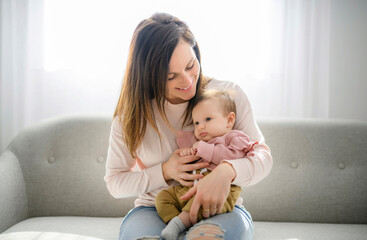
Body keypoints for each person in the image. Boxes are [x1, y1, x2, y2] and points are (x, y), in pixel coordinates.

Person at [104, 12, 273, 240]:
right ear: (147, 77)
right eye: (170, 76)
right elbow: (115, 182)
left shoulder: (226, 96)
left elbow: (263, 157)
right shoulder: (131, 116)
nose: (186, 81)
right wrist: (165, 171)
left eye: (190, 65)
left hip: (220, 208)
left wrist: (226, 171)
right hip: (153, 209)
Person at [156, 90, 258, 240]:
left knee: (201, 200)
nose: (200, 126)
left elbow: (235, 156)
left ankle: (180, 224)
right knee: (163, 197)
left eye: (208, 119)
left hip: (220, 192)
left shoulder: (234, 137)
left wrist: (204, 149)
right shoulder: (200, 143)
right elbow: (190, 162)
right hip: (189, 188)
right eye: (196, 123)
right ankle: (176, 222)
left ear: (229, 120)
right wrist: (188, 154)